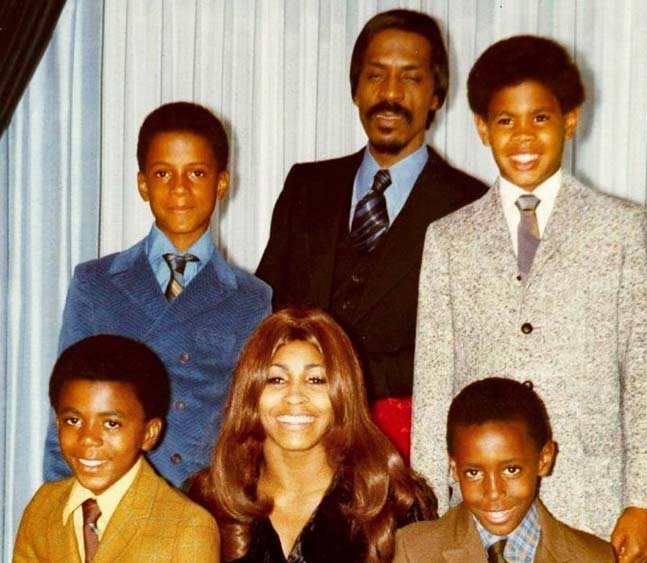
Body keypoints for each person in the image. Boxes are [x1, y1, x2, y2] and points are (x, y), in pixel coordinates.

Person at [411, 35, 647, 562]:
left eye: (541, 119)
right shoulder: (449, 238)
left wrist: (643, 501)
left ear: (570, 120)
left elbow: (643, 371)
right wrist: (432, 501)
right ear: (482, 128)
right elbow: (433, 378)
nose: (523, 136)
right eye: (506, 121)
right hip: (482, 502)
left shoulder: (621, 229)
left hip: (592, 499)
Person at [255, 9, 488, 460]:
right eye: (376, 76)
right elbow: (268, 308)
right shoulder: (305, 186)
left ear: (436, 95)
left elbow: (467, 347)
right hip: (297, 442)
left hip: (404, 451)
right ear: (355, 89)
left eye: (411, 79)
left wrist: (343, 381)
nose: (390, 95)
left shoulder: (472, 205)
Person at [43, 102, 271, 488]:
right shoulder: (96, 283)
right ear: (142, 184)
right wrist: (59, 506)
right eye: (163, 173)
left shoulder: (251, 298)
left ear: (221, 182)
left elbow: (251, 427)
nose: (180, 188)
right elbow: (65, 410)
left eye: (196, 173)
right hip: (114, 499)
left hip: (206, 505)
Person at [189, 308, 437, 563]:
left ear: (343, 393)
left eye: (316, 380)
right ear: (251, 394)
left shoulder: (396, 503)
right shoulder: (206, 502)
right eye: (276, 379)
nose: (295, 396)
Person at [14, 335, 219, 562]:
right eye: (73, 420)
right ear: (57, 423)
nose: (88, 439)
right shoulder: (43, 506)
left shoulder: (187, 526)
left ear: (149, 434)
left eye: (111, 424)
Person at [395, 377, 615, 563]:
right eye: (474, 473)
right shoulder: (413, 551)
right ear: (454, 468)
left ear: (544, 459)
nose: (493, 492)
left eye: (511, 470)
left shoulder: (595, 557)